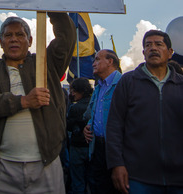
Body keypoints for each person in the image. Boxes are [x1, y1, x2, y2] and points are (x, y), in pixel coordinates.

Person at [0, 12, 76, 194]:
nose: (14, 39)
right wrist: (23, 101)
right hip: (1, 168)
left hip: (46, 165)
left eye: (20, 35)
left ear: (30, 40)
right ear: (1, 42)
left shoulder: (46, 64)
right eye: (8, 35)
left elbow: (66, 36)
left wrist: (51, 2)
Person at [106, 30, 183, 194]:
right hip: (138, 177)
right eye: (148, 45)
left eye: (159, 44)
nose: (153, 48)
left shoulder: (181, 84)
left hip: (178, 178)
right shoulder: (128, 82)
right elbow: (114, 125)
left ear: (170, 53)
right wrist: (116, 164)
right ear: (143, 52)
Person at [83, 49, 121, 194]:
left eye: (97, 59)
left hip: (116, 150)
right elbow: (95, 113)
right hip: (96, 148)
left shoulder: (124, 84)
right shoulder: (98, 87)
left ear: (110, 62)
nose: (93, 63)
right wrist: (88, 126)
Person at [67, 77, 93, 194]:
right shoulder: (95, 104)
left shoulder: (74, 108)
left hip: (77, 147)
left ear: (80, 91)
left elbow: (68, 126)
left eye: (73, 91)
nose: (72, 93)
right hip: (92, 147)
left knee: (78, 182)